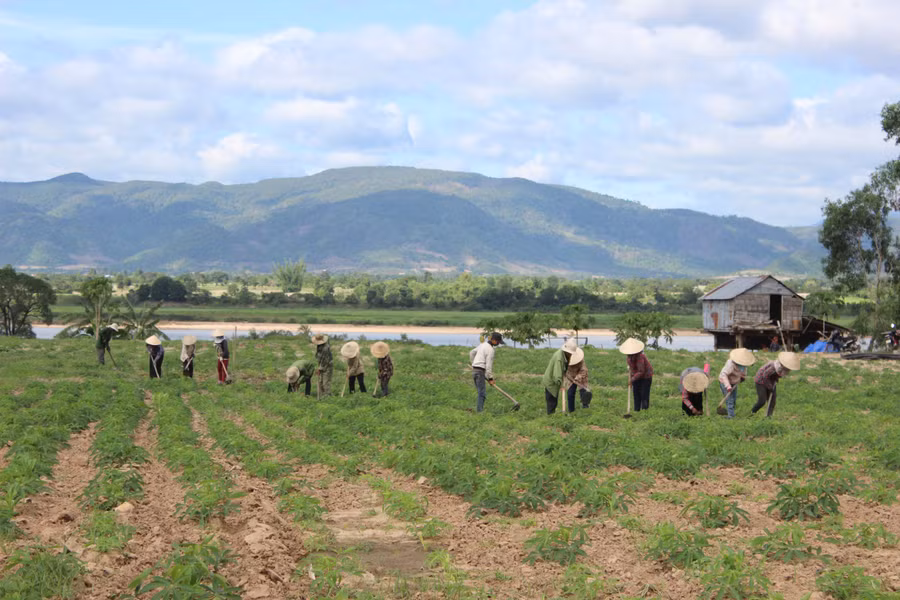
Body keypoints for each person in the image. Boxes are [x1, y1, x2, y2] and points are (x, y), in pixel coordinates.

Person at [751, 351, 800, 417]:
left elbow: (775, 375)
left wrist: (774, 381)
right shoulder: (774, 367)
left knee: (772, 401)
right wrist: (770, 387)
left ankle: (768, 417)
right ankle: (752, 413)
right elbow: (765, 375)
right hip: (761, 380)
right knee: (762, 401)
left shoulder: (784, 369)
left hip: (771, 381)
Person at [541, 338, 578, 414]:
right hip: (551, 382)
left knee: (554, 401)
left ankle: (552, 415)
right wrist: (561, 384)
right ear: (567, 351)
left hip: (554, 381)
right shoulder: (559, 358)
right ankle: (550, 418)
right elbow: (557, 374)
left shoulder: (563, 355)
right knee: (552, 402)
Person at [469, 332, 503, 412]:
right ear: (493, 340)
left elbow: (471, 353)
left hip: (475, 371)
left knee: (480, 392)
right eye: (498, 342)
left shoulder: (482, 345)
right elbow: (488, 366)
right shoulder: (491, 350)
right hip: (480, 372)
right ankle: (479, 412)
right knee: (482, 394)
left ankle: (479, 410)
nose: (498, 343)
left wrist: (473, 364)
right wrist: (490, 378)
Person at [718, 348, 756, 418]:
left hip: (734, 382)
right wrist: (728, 386)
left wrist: (743, 377)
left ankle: (730, 412)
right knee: (729, 399)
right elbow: (724, 375)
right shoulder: (730, 364)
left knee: (734, 399)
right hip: (725, 381)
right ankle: (731, 416)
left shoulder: (743, 365)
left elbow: (743, 373)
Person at [619, 338, 653, 412]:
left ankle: (644, 411)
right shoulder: (628, 358)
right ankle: (636, 411)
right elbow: (632, 369)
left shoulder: (640, 356)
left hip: (646, 377)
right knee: (636, 394)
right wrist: (632, 378)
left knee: (644, 395)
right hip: (636, 376)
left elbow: (641, 371)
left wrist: (632, 379)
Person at [564, 345, 592, 411]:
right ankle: (571, 410)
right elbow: (564, 370)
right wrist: (571, 379)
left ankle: (585, 407)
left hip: (581, 376)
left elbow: (584, 371)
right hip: (570, 377)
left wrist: (577, 378)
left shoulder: (580, 360)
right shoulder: (565, 359)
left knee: (584, 391)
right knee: (570, 393)